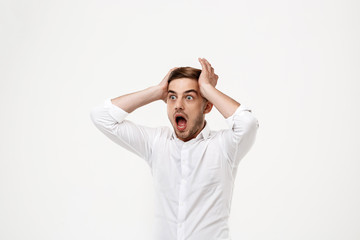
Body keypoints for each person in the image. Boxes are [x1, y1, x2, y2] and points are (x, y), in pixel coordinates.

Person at [90, 57, 259, 240]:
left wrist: (208, 89)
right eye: (172, 97)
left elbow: (248, 123)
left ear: (208, 106)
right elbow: (101, 117)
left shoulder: (224, 146)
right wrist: (157, 91)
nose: (178, 105)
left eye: (189, 97)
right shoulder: (156, 142)